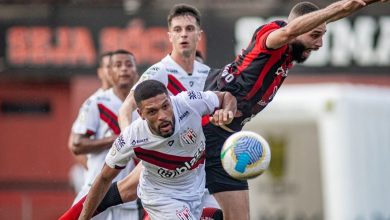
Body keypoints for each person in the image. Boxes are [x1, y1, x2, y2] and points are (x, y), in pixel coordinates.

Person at [203, 0, 388, 219]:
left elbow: (317, 21)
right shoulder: (272, 39)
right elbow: (293, 29)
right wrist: (352, 4)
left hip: (226, 137)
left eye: (322, 35)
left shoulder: (291, 47)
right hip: (206, 133)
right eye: (315, 35)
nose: (319, 44)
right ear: (298, 29)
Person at [79, 79, 237, 220]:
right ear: (141, 114)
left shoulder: (188, 102)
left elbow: (225, 97)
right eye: (152, 111)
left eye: (165, 106)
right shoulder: (132, 137)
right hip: (161, 196)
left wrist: (227, 112)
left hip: (196, 188)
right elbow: (104, 178)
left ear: (170, 100)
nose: (163, 115)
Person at [68, 49, 142, 220]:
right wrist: (118, 140)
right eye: (117, 65)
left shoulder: (146, 104)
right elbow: (76, 145)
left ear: (136, 71)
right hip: (96, 187)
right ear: (110, 72)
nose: (124, 69)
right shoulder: (96, 103)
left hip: (129, 193)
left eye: (128, 64)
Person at [68, 51, 113, 196]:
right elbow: (74, 144)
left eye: (118, 65)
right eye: (109, 66)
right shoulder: (95, 102)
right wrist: (98, 171)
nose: (115, 70)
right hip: (99, 182)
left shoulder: (130, 100)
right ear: (100, 72)